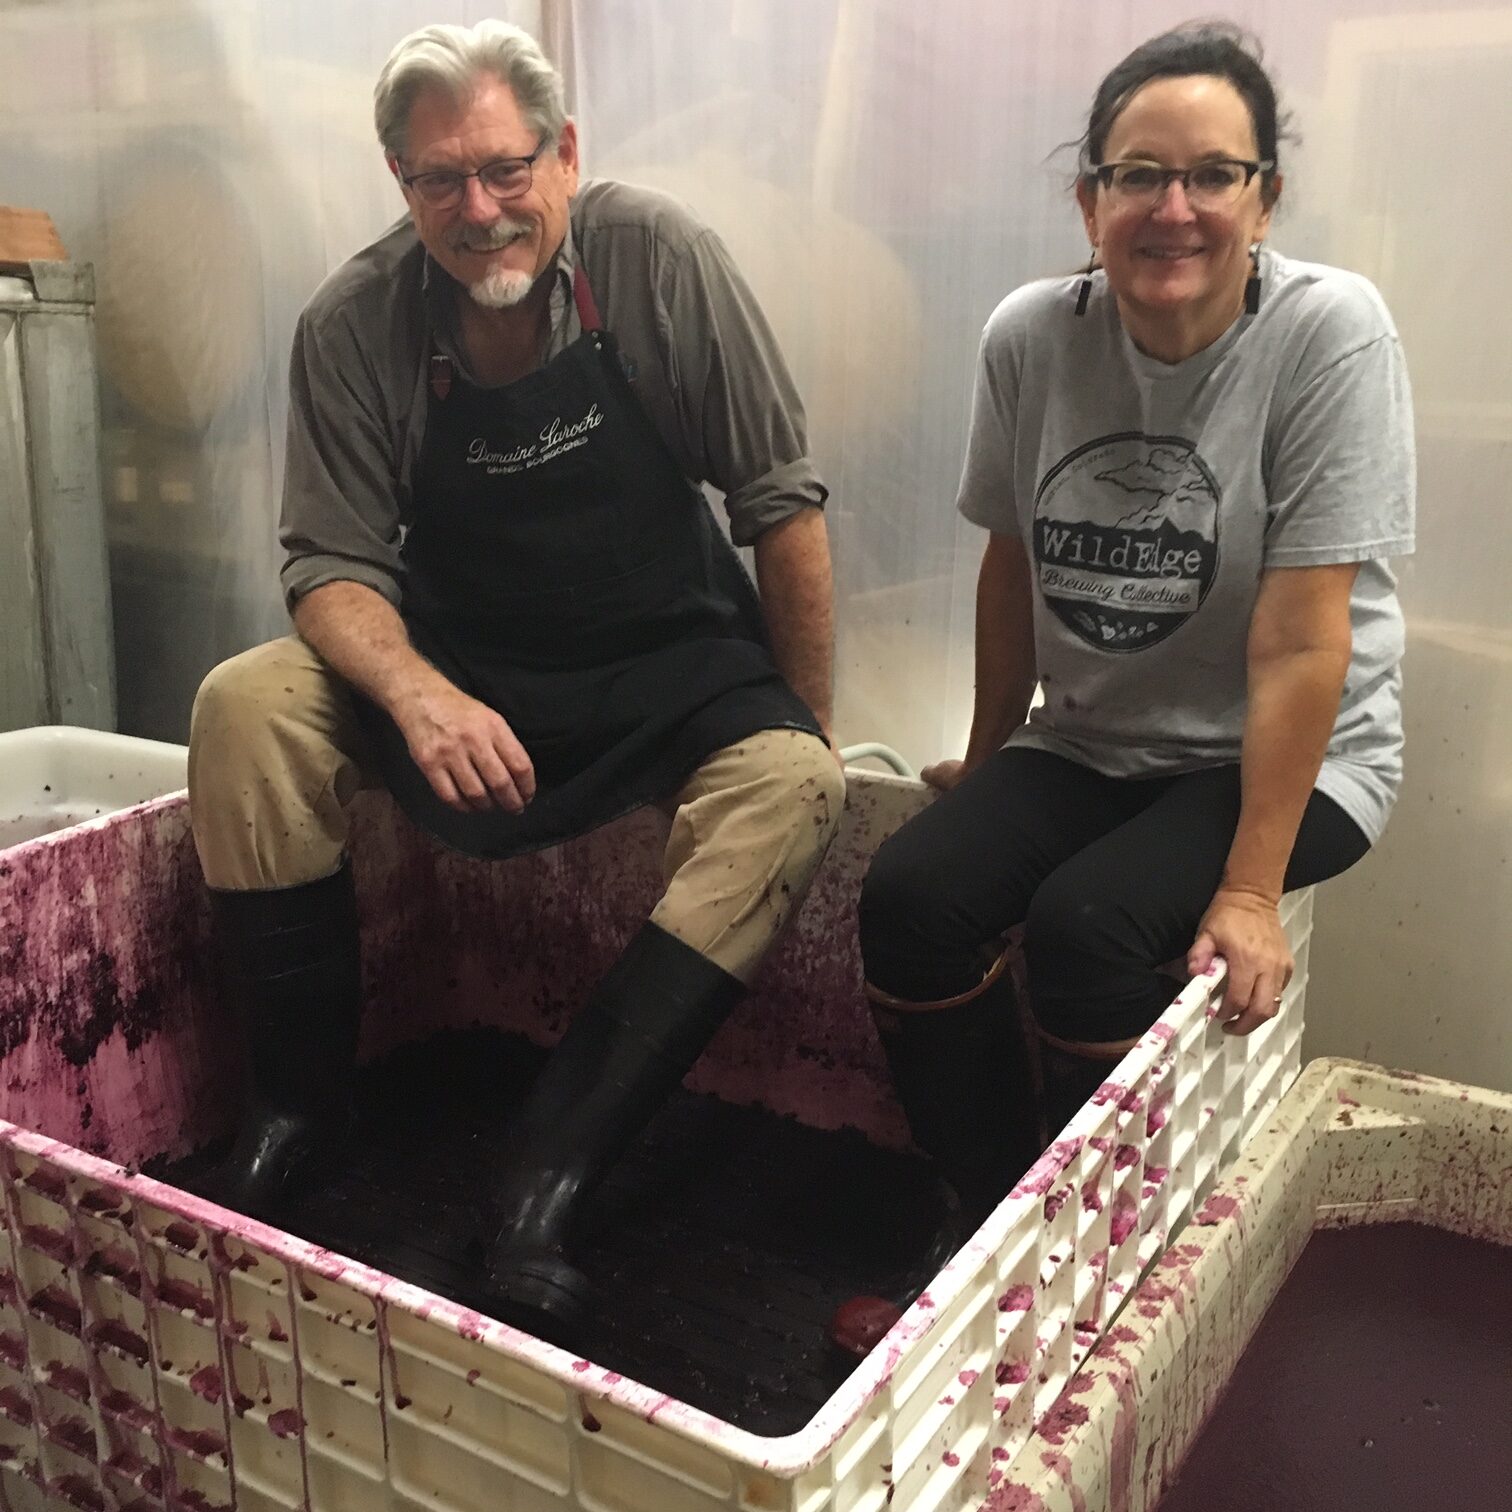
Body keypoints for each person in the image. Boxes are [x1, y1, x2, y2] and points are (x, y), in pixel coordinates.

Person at [187, 19, 844, 1341]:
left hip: (666, 660)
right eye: (441, 181)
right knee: (244, 707)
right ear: (400, 182)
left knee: (792, 783)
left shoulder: (658, 260)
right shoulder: (354, 324)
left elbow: (782, 510)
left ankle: (542, 1180)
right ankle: (301, 1108)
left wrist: (807, 726)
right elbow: (328, 565)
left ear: (565, 153)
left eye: (507, 168)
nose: (481, 211)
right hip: (465, 660)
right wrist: (421, 695)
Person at [856, 23, 1415, 1224]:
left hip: (1290, 758)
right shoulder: (1031, 338)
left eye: (1215, 174)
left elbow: (1310, 639)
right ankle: (998, 1224)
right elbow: (1010, 569)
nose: (1175, 207)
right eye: (1138, 175)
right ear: (1088, 200)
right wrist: (995, 751)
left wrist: (1252, 893)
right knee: (911, 896)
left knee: (1088, 930)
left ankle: (1115, 1253)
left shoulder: (1329, 333)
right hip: (1098, 736)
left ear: (1265, 202)